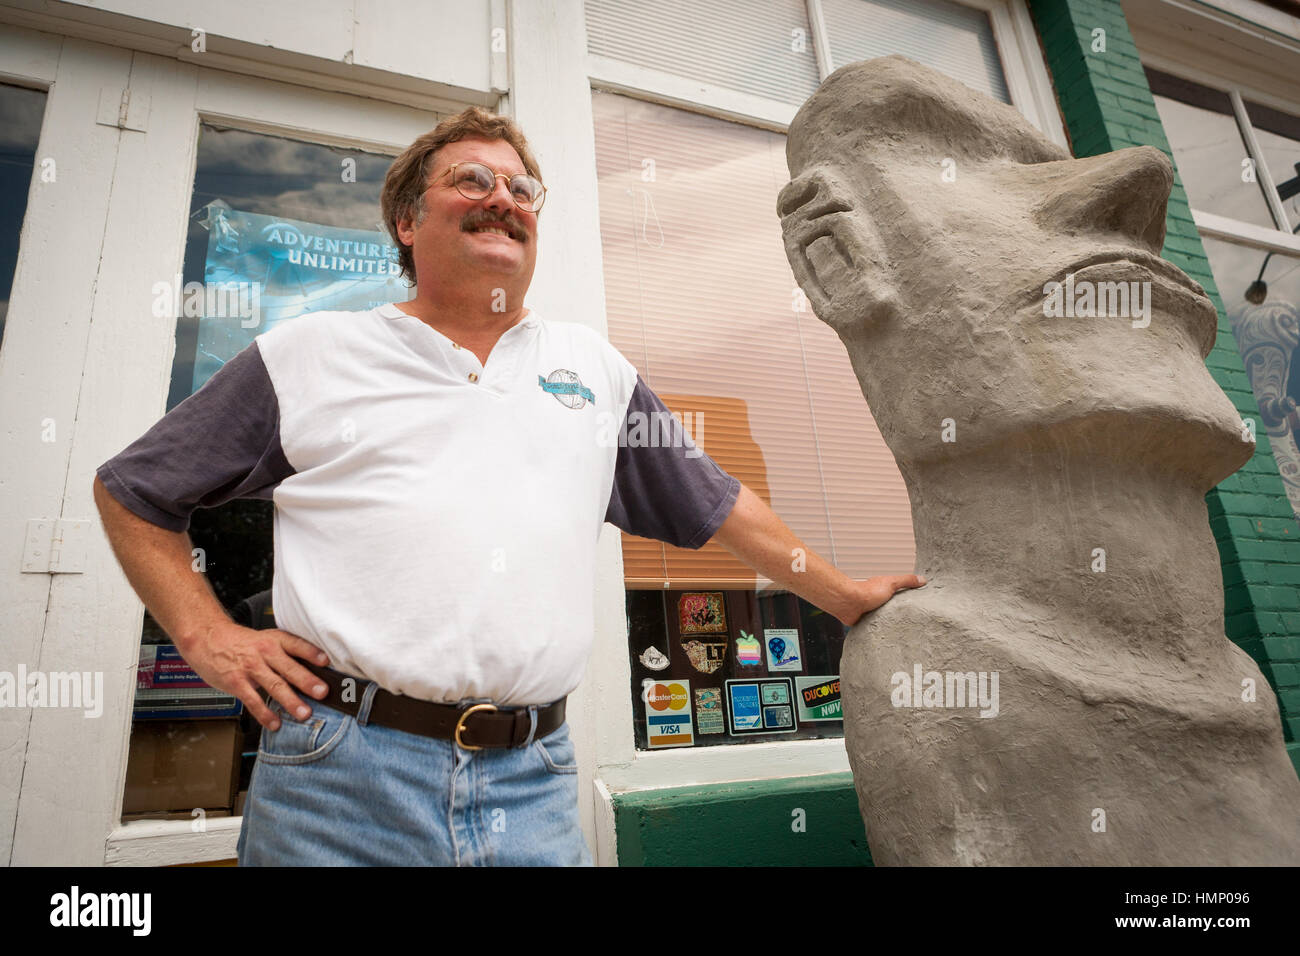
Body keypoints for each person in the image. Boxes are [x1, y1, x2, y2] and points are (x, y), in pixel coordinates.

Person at [93, 105, 925, 866]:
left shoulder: (592, 370)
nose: (504, 198)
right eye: (472, 180)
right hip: (338, 779)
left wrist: (844, 596)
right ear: (406, 221)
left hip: (532, 784)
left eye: (521, 187)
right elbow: (134, 491)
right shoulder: (310, 354)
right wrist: (206, 637)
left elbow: (718, 504)